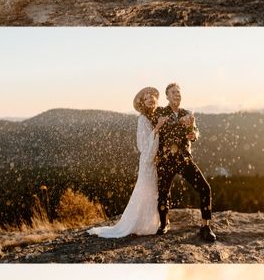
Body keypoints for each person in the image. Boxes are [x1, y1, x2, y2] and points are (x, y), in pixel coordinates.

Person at [87, 87, 167, 237]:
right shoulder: (143, 119)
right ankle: (141, 224)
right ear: (143, 103)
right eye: (146, 98)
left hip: (157, 161)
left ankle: (152, 221)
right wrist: (157, 129)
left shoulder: (158, 116)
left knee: (154, 191)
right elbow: (143, 146)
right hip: (148, 163)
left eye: (152, 96)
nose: (150, 99)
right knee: (146, 190)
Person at [155, 83, 216, 242]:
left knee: (205, 188)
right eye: (173, 92)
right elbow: (163, 128)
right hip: (166, 160)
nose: (177, 94)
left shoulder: (187, 113)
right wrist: (180, 123)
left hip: (184, 159)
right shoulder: (161, 112)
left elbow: (195, 131)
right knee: (163, 192)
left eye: (178, 92)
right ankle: (164, 223)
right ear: (167, 96)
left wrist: (193, 135)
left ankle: (205, 226)